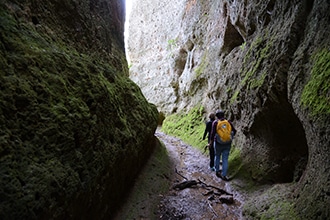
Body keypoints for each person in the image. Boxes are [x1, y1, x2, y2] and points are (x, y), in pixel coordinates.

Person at [209, 110, 237, 181]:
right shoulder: (228, 122)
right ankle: (224, 175)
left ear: (217, 116)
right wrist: (229, 138)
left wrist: (210, 143)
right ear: (223, 115)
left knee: (217, 156)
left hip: (218, 143)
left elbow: (212, 134)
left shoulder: (215, 122)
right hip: (227, 143)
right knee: (225, 159)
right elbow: (234, 131)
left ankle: (217, 171)